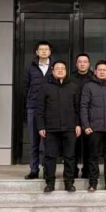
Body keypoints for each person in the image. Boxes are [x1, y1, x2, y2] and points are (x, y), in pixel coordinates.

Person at [35, 61, 82, 193]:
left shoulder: (74, 87)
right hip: (50, 128)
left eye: (63, 68)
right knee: (50, 156)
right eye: (57, 68)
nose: (60, 70)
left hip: (70, 128)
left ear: (66, 71)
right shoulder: (45, 87)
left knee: (70, 156)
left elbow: (78, 108)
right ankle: (50, 183)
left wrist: (78, 124)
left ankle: (69, 183)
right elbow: (40, 109)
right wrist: (41, 126)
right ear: (53, 71)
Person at [80, 60, 106, 192]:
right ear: (95, 71)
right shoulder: (88, 86)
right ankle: (93, 183)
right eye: (100, 70)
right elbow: (83, 106)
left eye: (105, 70)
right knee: (93, 156)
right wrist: (86, 125)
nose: (102, 72)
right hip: (94, 127)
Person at [25, 41, 53, 180]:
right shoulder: (30, 68)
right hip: (33, 107)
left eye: (46, 49)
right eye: (41, 49)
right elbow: (25, 86)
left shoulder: (54, 67)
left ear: (50, 52)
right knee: (34, 141)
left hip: (50, 108)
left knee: (48, 141)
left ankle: (47, 169)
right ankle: (34, 169)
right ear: (37, 52)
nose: (43, 51)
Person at [71, 53, 95, 179]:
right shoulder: (70, 78)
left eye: (85, 62)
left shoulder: (93, 77)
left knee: (88, 145)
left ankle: (87, 171)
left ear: (89, 64)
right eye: (80, 62)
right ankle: (73, 170)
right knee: (73, 145)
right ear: (76, 64)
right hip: (73, 114)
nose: (82, 64)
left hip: (89, 116)